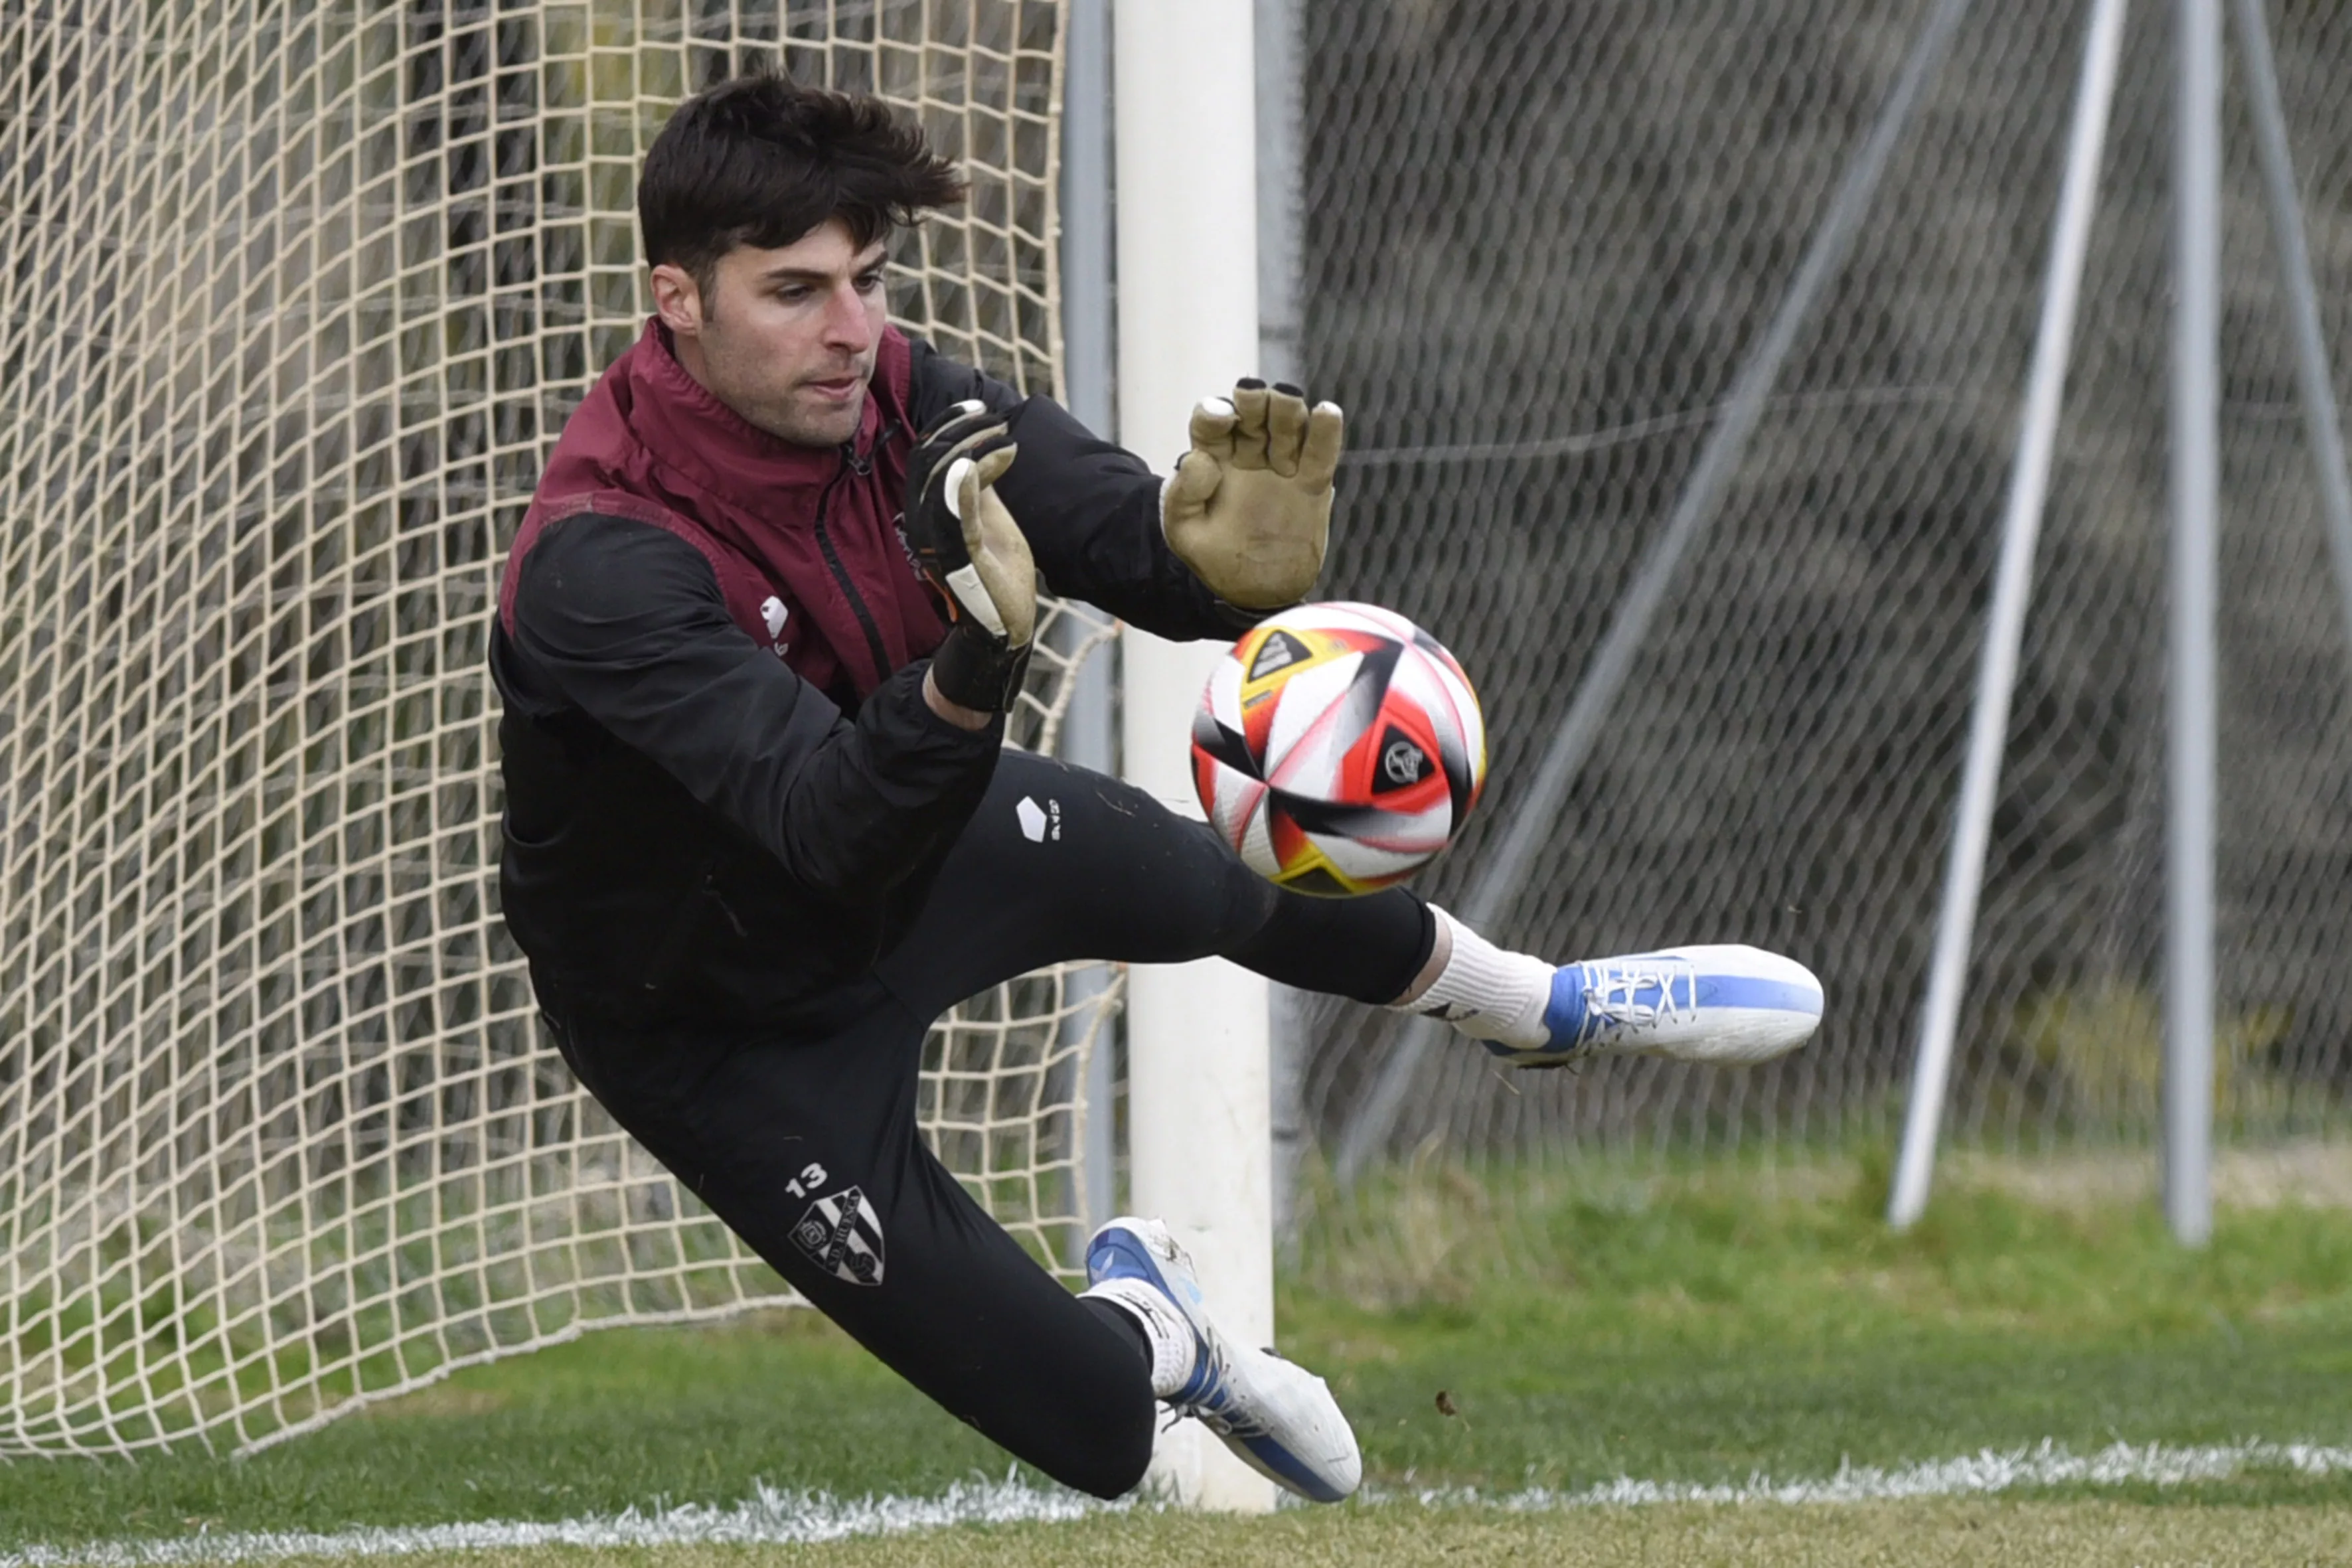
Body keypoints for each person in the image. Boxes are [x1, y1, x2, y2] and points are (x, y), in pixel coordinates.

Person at [490, 73, 1822, 1505]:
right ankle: (1161, 1324)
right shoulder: (604, 562)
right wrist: (975, 658)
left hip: (913, 842)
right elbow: (827, 824)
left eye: (869, 278)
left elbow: (1122, 532)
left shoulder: (894, 395)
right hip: (716, 1024)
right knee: (1096, 1436)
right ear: (676, 298)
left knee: (1215, 880)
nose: (851, 327)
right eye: (795, 290)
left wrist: (1215, 567)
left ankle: (1538, 1007)